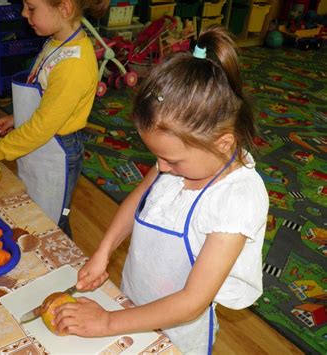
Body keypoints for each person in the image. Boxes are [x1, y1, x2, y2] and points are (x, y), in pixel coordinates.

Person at [51, 26, 269, 354]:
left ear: (223, 144)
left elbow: (192, 302)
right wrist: (103, 252)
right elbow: (137, 202)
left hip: (179, 334)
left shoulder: (237, 200)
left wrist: (106, 322)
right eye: (157, 157)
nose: (161, 168)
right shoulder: (179, 159)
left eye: (171, 160)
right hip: (133, 302)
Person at [0, 0, 109, 237]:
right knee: (33, 204)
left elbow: (42, 127)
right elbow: (48, 99)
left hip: (56, 151)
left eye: (31, 7)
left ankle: (62, 265)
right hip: (41, 142)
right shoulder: (56, 42)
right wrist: (19, 117)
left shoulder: (73, 65)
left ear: (64, 9)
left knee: (52, 219)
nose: (24, 13)